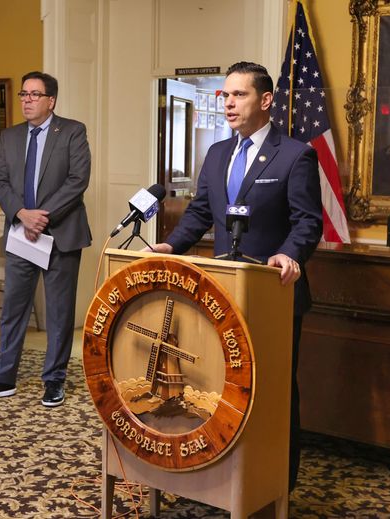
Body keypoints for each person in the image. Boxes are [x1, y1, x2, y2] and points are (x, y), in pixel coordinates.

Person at [148, 62, 323, 491]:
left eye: (239, 95)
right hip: (222, 295)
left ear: (266, 100)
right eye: (225, 95)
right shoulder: (217, 154)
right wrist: (172, 246)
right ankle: (224, 481)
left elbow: (307, 221)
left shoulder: (295, 155)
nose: (228, 103)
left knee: (273, 391)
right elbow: (200, 214)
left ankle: (276, 485)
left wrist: (288, 254)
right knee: (221, 389)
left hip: (273, 293)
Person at [0, 71, 92, 407]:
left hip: (60, 234)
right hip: (21, 234)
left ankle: (54, 379)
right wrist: (22, 214)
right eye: (24, 94)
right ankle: (3, 378)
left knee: (59, 313)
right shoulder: (10, 136)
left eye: (35, 94)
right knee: (13, 309)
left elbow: (77, 181)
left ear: (51, 101)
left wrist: (41, 216)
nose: (27, 100)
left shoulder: (73, 131)